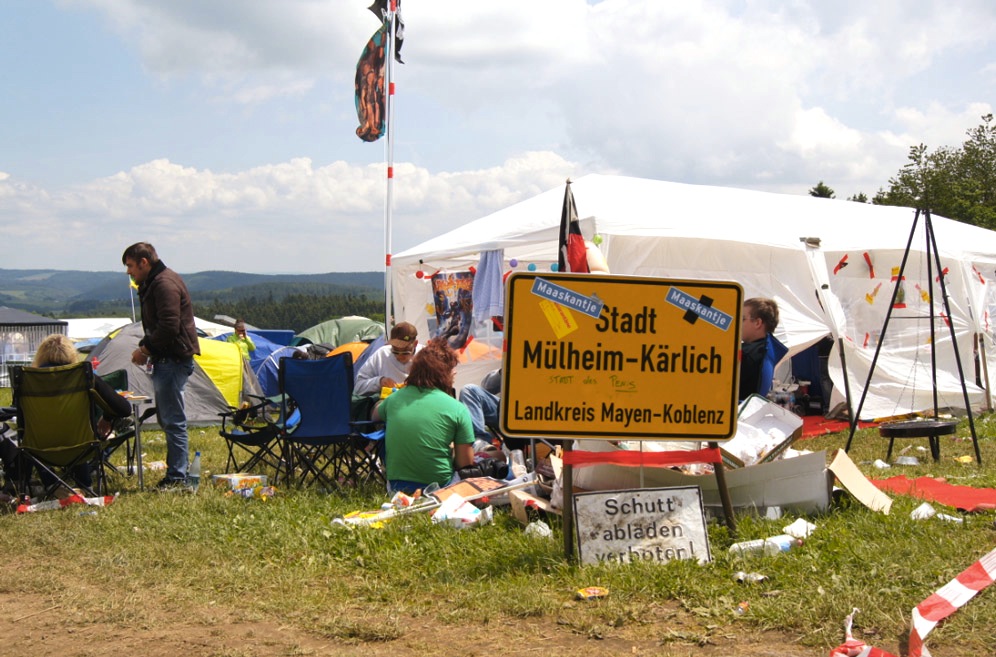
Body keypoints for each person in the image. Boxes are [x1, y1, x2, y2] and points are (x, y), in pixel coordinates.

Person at [122, 242, 200, 489]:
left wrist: (145, 350)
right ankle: (177, 474)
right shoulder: (158, 281)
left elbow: (169, 326)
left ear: (144, 262)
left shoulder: (164, 284)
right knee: (169, 419)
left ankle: (177, 477)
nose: (129, 272)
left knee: (173, 420)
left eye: (131, 266)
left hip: (172, 360)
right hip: (168, 359)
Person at [28, 334, 132, 491]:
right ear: (71, 354)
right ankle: (84, 485)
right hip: (81, 445)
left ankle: (51, 486)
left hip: (38, 447)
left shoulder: (28, 379)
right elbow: (124, 408)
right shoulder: (84, 374)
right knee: (75, 432)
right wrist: (107, 417)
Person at [372, 337, 475, 494]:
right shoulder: (458, 409)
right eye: (451, 369)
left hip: (397, 489)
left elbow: (374, 415)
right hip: (441, 488)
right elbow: (465, 464)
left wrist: (383, 402)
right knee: (491, 461)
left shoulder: (394, 400)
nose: (454, 373)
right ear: (444, 373)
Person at [352, 322, 421, 419]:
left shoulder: (425, 355)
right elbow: (358, 388)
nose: (399, 356)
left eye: (405, 352)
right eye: (395, 351)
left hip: (419, 403)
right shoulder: (382, 354)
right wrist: (379, 381)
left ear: (415, 344)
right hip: (389, 407)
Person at [739, 297, 788, 402]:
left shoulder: (747, 354)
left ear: (758, 323)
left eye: (742, 319)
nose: (738, 323)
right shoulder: (768, 349)